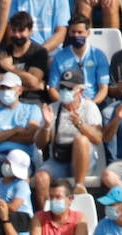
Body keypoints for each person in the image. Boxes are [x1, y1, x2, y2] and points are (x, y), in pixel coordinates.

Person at [32, 67, 102, 198]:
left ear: (80, 90)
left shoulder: (89, 107)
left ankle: (79, 186)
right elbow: (39, 144)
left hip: (83, 161)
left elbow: (97, 138)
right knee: (41, 178)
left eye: (69, 88)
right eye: (62, 88)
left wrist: (80, 124)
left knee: (80, 140)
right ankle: (43, 214)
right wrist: (46, 126)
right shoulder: (53, 108)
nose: (64, 91)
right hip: (59, 160)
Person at [0, 72, 41, 184]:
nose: (5, 91)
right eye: (2, 88)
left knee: (21, 179)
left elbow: (31, 136)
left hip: (22, 155)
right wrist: (15, 130)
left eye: (9, 88)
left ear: (20, 90)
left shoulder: (32, 109)